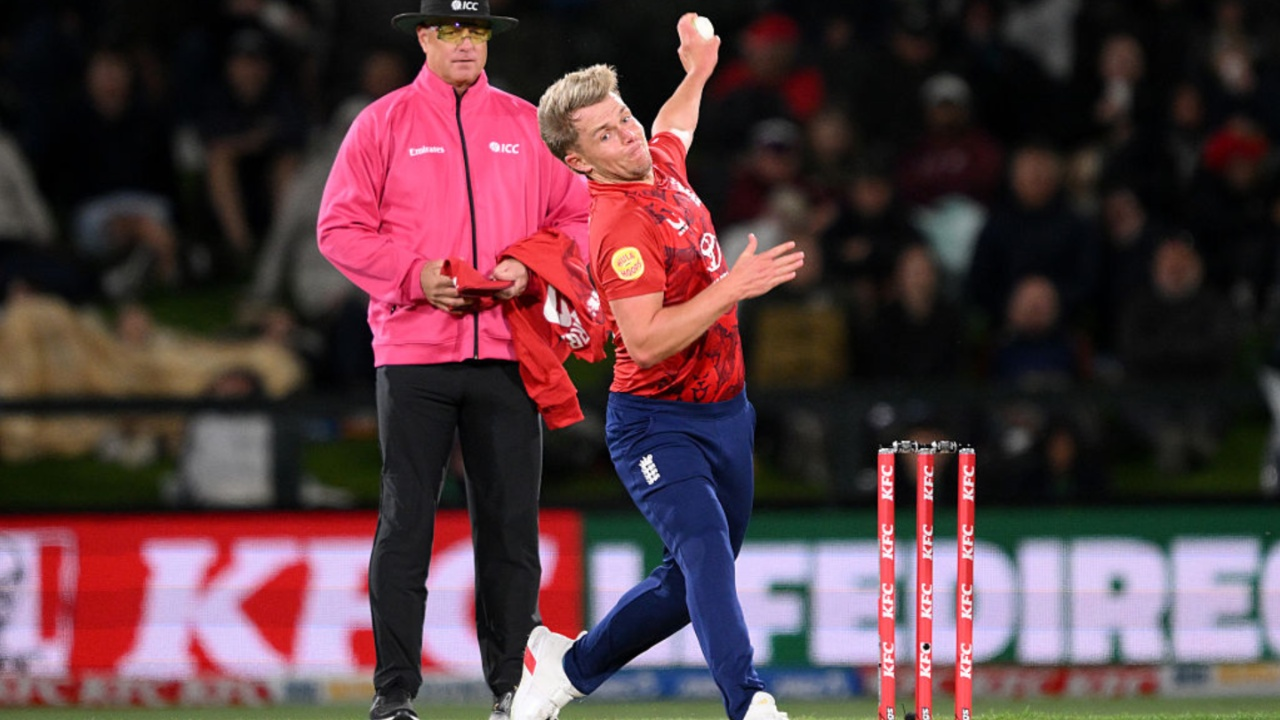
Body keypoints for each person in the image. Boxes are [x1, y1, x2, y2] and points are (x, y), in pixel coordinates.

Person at [516, 14, 805, 720]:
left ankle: (567, 666)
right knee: (705, 548)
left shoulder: (659, 165)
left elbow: (674, 125)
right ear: (579, 161)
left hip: (727, 413)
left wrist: (698, 71)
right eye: (607, 134)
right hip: (656, 423)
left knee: (692, 577)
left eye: (624, 117)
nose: (630, 134)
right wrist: (730, 289)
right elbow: (643, 341)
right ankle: (750, 701)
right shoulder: (619, 228)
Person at [314, 2, 591, 720]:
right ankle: (395, 695)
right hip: (414, 353)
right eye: (450, 30)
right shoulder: (382, 123)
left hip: (508, 351)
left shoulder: (529, 124)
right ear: (424, 37)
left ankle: (512, 691)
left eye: (477, 31)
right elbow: (338, 228)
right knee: (406, 525)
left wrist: (533, 266)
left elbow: (581, 215)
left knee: (510, 531)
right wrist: (416, 277)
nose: (466, 43)